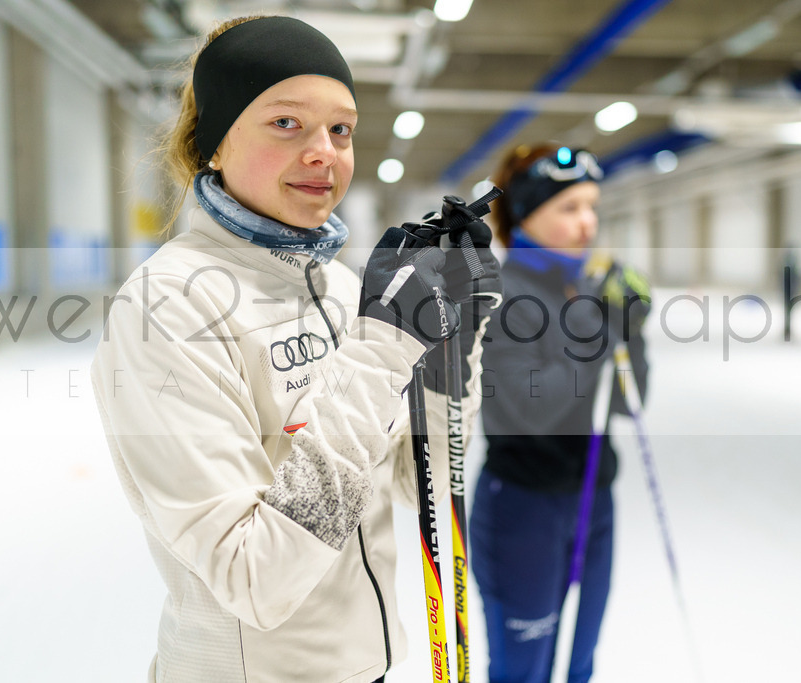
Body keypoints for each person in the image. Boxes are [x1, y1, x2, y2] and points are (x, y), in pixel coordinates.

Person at [90, 15, 499, 682]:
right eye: (287, 123)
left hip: (364, 665)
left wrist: (453, 349)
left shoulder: (337, 286)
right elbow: (255, 576)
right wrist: (382, 346)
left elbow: (411, 480)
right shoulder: (167, 306)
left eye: (341, 129)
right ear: (214, 143)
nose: (324, 152)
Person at [469, 142, 650, 682]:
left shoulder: (583, 289)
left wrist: (631, 333)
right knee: (525, 669)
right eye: (569, 208)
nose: (587, 223)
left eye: (592, 206)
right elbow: (530, 408)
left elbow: (628, 401)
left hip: (592, 500)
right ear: (525, 214)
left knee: (578, 664)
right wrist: (597, 330)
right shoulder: (500, 293)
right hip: (523, 507)